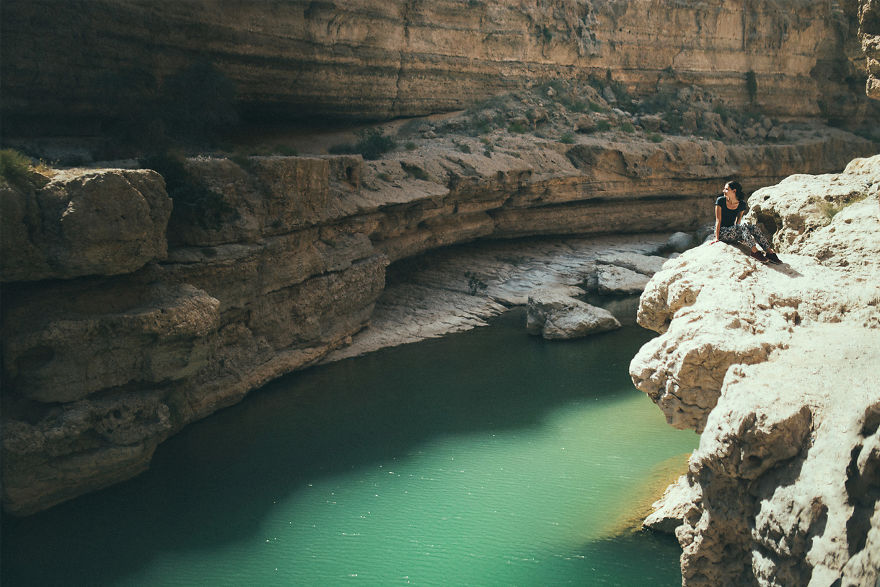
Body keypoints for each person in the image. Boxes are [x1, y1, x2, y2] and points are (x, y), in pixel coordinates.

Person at [711, 180, 781, 263]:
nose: (723, 191)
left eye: (726, 189)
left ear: (734, 191)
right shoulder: (721, 201)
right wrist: (717, 238)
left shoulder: (742, 204)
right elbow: (718, 220)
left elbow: (738, 221)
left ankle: (770, 252)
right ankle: (755, 252)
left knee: (754, 228)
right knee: (742, 227)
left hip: (732, 231)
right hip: (722, 232)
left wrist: (740, 234)